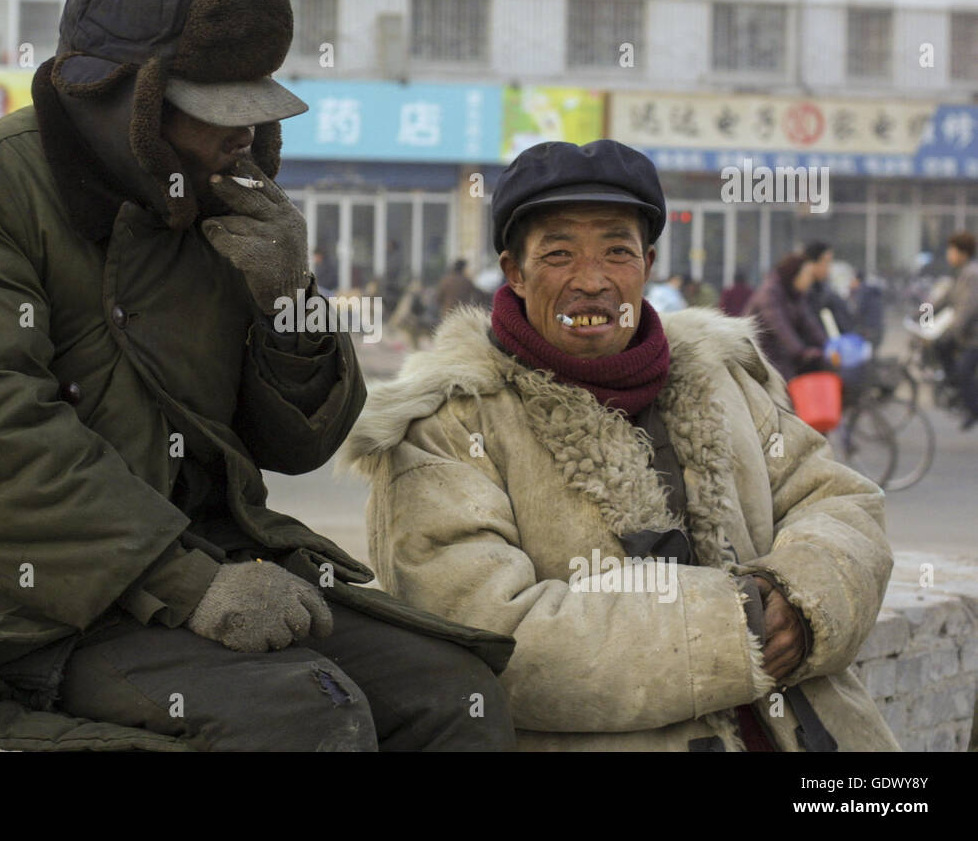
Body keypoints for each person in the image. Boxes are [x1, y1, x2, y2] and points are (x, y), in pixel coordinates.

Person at [0, 0, 517, 752]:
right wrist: (188, 584)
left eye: (254, 108)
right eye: (213, 111)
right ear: (119, 99)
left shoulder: (224, 205)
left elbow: (303, 443)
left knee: (458, 697)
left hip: (181, 566)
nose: (242, 137)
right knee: (306, 714)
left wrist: (290, 304)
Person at [344, 139, 897, 751]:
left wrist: (803, 597)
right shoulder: (449, 423)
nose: (592, 281)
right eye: (558, 253)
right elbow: (486, 633)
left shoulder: (724, 377)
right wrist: (735, 627)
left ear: (649, 264)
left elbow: (839, 502)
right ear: (514, 273)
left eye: (617, 251)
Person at [744, 251, 831, 381]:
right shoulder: (769, 294)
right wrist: (802, 353)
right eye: (807, 275)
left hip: (780, 358)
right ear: (794, 274)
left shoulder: (795, 295)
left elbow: (809, 324)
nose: (810, 280)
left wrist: (828, 346)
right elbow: (780, 328)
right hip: (760, 358)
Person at [936, 230, 978, 431]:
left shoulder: (972, 274)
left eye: (951, 251)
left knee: (964, 371)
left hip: (974, 338)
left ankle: (973, 408)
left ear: (963, 253)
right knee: (940, 345)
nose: (948, 255)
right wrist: (920, 314)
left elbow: (967, 310)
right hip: (966, 336)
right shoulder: (960, 274)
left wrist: (951, 330)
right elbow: (943, 300)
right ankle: (959, 392)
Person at [803, 242, 854, 335]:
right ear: (812, 263)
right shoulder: (802, 294)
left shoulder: (823, 290)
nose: (828, 268)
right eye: (826, 262)